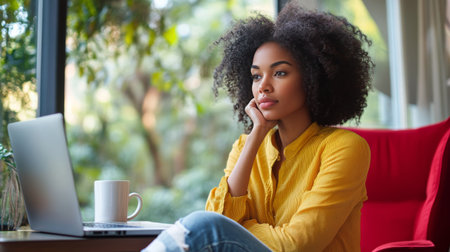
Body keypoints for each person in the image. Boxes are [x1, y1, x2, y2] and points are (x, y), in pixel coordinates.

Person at [142, 1, 373, 251]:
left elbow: (297, 245)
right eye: (256, 76)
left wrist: (242, 227)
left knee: (201, 226)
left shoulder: (345, 148)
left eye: (280, 73)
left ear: (313, 77)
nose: (263, 86)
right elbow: (220, 218)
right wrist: (256, 136)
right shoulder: (245, 146)